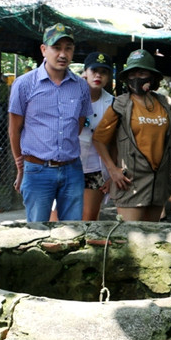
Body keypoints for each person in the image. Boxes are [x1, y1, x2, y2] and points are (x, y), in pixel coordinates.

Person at [8, 24, 92, 222]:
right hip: (37, 170)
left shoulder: (81, 86)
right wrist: (21, 166)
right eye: (57, 48)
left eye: (68, 48)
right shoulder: (24, 84)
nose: (63, 54)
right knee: (37, 232)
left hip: (72, 169)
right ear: (44, 50)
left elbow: (78, 125)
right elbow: (14, 130)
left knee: (73, 232)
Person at [92, 49, 171, 222]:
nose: (136, 78)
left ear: (152, 77)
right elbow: (99, 139)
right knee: (131, 239)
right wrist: (112, 170)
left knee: (152, 238)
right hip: (131, 182)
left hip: (158, 182)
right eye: (132, 74)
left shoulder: (163, 104)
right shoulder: (120, 105)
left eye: (142, 72)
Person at [77, 52, 115, 220]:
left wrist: (111, 174)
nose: (98, 75)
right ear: (85, 72)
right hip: (67, 166)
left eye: (104, 72)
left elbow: (115, 142)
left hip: (96, 168)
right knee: (58, 218)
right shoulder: (70, 96)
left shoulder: (113, 103)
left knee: (89, 218)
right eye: (94, 70)